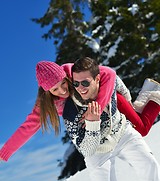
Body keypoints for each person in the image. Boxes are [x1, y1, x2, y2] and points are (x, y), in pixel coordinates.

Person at [61, 57, 160, 181]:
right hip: (97, 151)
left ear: (98, 79)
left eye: (85, 82)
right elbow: (87, 150)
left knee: (149, 164)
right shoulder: (70, 111)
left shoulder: (109, 84)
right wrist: (92, 123)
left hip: (121, 133)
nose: (80, 88)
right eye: (76, 83)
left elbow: (118, 84)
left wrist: (128, 101)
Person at [0, 61, 160, 162]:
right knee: (137, 120)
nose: (62, 91)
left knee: (142, 129)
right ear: (47, 92)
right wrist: (6, 150)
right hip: (103, 114)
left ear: (66, 77)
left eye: (63, 84)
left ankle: (157, 96)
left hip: (113, 96)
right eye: (55, 89)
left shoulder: (76, 72)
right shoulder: (46, 103)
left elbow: (109, 73)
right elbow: (29, 126)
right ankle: (149, 93)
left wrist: (97, 105)